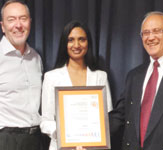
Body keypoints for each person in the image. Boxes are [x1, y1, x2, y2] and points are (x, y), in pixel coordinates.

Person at [40, 20, 113, 150]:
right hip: (61, 146)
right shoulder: (51, 77)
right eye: (70, 40)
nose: (76, 45)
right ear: (64, 43)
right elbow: (45, 121)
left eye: (82, 39)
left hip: (94, 147)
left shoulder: (100, 76)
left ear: (88, 43)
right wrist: (65, 135)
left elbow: (107, 117)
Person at [109, 11, 163, 150]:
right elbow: (119, 116)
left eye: (156, 31)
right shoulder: (134, 75)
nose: (150, 37)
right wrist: (87, 134)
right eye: (145, 33)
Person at [0, 0, 43, 150]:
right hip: (6, 141)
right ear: (3, 26)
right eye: (11, 20)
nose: (18, 25)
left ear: (30, 22)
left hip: (36, 140)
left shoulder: (36, 58)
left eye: (23, 18)